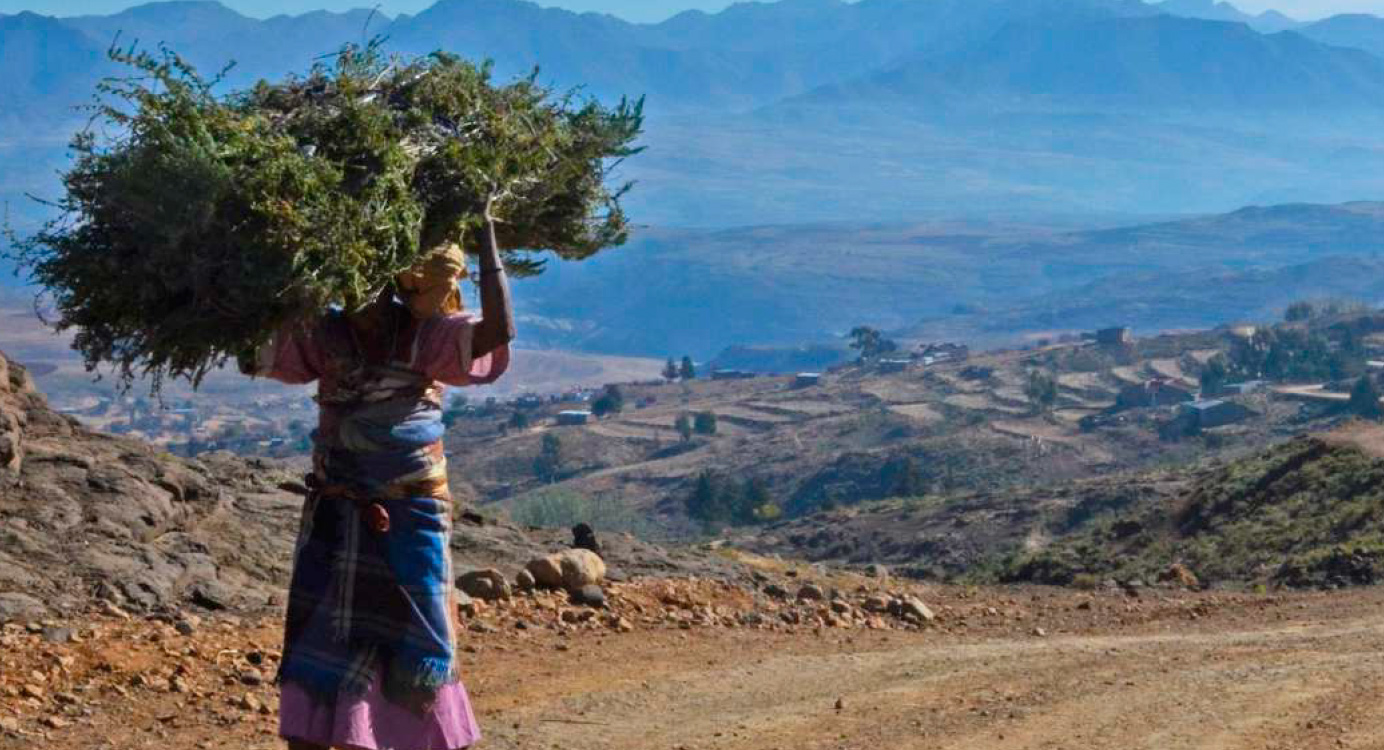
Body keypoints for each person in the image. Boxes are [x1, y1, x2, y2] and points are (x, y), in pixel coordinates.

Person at [245, 213, 515, 750]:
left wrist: (486, 236)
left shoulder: (427, 336)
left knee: (420, 640)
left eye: (367, 284)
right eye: (345, 286)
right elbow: (252, 350)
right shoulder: (325, 335)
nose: (357, 300)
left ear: (391, 284)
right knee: (323, 640)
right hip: (337, 508)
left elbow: (498, 331)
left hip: (410, 510)